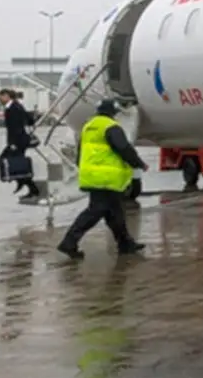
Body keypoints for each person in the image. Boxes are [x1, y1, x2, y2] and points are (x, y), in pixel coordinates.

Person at [57, 99, 147, 260]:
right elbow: (124, 148)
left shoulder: (88, 127)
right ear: (113, 113)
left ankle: (125, 243)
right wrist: (138, 163)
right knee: (95, 211)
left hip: (91, 175)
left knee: (114, 213)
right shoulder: (110, 127)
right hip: (106, 177)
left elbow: (80, 153)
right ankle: (69, 242)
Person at [0, 88, 40, 199]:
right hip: (19, 140)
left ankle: (30, 187)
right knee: (16, 163)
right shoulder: (16, 106)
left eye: (0, 97)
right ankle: (24, 184)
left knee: (4, 160)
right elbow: (28, 119)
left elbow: (15, 127)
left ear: (6, 96)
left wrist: (13, 143)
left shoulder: (13, 108)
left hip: (18, 141)